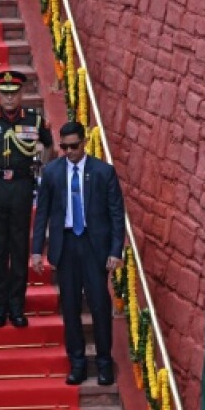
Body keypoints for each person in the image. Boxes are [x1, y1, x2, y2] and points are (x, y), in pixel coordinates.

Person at [32, 122, 126, 386]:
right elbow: (42, 213)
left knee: (99, 305)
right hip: (66, 245)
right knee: (71, 307)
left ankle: (105, 363)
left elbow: (116, 214)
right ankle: (77, 363)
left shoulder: (103, 172)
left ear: (84, 142)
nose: (69, 151)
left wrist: (115, 250)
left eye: (74, 146)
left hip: (94, 246)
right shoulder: (51, 172)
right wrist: (37, 250)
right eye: (64, 147)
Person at [0, 69, 52, 329]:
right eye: (3, 93)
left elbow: (48, 145)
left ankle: (17, 306)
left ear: (22, 93)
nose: (8, 98)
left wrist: (41, 166)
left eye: (13, 93)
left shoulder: (34, 120)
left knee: (18, 247)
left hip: (21, 184)